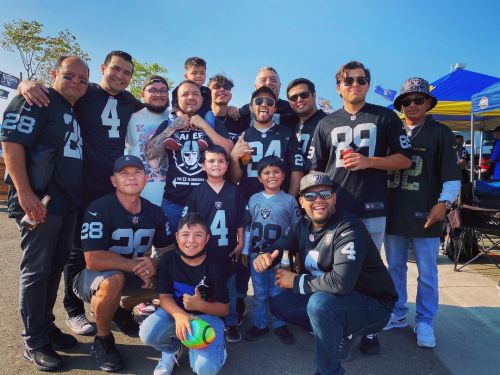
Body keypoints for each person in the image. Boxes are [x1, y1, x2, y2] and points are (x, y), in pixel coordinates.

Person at [19, 50, 143, 337]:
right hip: (80, 187)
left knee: (112, 249)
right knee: (76, 252)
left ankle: (114, 310)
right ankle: (73, 309)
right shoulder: (84, 91)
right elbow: (51, 93)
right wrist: (24, 85)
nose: (121, 76)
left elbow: (156, 107)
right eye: (116, 69)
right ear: (103, 68)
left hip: (114, 188)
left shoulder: (128, 101)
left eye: (127, 72)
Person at [308, 60, 412, 354]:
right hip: (335, 209)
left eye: (361, 80)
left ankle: (369, 327)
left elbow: (404, 159)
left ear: (368, 84)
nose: (356, 85)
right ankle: (340, 323)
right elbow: (316, 169)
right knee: (336, 270)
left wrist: (370, 161)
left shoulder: (386, 117)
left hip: (372, 205)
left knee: (367, 271)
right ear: (338, 87)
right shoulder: (325, 123)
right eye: (349, 80)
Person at [253, 172, 397, 375]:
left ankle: (328, 370)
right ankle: (337, 331)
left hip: (374, 305)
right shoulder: (302, 225)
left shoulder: (349, 227)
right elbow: (279, 246)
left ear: (334, 197)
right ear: (301, 202)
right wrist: (265, 256)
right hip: (338, 300)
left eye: (325, 194)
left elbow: (341, 283)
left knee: (320, 304)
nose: (318, 200)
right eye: (310, 196)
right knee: (280, 305)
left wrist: (296, 281)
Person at [1, 55, 88, 371]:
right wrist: (25, 194)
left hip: (65, 205)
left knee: (53, 269)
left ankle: (45, 326)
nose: (77, 82)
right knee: (36, 271)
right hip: (41, 203)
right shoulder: (38, 98)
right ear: (54, 73)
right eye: (70, 76)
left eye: (83, 78)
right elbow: (11, 142)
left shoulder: (69, 109)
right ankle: (33, 340)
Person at [72, 155, 173, 372]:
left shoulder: (155, 211)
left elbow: (169, 252)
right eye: (124, 173)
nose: (131, 178)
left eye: (137, 172)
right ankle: (103, 340)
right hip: (95, 278)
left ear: (145, 179)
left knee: (174, 277)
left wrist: (155, 264)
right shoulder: (98, 208)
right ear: (113, 180)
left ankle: (123, 308)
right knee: (114, 279)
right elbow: (93, 259)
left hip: (134, 276)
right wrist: (138, 265)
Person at [385, 77, 461, 348]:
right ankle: (396, 313)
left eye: (418, 99)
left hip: (425, 212)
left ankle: (426, 320)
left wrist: (444, 203)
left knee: (427, 272)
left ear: (428, 102)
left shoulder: (440, 132)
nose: (413, 105)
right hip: (394, 211)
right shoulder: (391, 130)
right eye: (407, 101)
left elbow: (452, 175)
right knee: (394, 268)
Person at [228, 86, 304, 322]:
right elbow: (235, 178)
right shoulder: (243, 135)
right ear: (251, 106)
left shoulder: (286, 133)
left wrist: (288, 199)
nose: (264, 105)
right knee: (248, 257)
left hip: (280, 205)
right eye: (258, 100)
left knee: (280, 261)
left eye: (269, 102)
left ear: (275, 107)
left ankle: (282, 316)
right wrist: (234, 156)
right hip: (251, 204)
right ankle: (242, 305)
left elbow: (297, 168)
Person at [139, 213, 229, 375]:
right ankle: (173, 349)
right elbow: (164, 298)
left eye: (198, 235)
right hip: (176, 314)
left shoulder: (216, 265)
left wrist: (200, 305)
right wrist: (180, 315)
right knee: (148, 332)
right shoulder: (168, 260)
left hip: (207, 318)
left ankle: (217, 350)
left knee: (204, 369)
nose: (191, 240)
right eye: (185, 234)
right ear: (177, 236)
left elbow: (224, 309)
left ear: (207, 238)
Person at [145, 80, 233, 231]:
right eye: (185, 94)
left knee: (206, 247)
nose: (190, 97)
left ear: (202, 99)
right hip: (173, 201)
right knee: (170, 247)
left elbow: (229, 151)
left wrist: (204, 125)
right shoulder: (168, 124)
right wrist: (173, 127)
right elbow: (150, 153)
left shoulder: (214, 123)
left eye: (195, 94)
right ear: (177, 100)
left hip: (207, 200)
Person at [183, 145, 247, 342]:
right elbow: (189, 223)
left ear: (227, 165)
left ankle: (232, 322)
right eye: (211, 161)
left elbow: (240, 220)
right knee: (204, 287)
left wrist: (241, 242)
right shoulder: (197, 192)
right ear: (203, 165)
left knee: (230, 288)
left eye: (220, 161)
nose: (216, 165)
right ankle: (206, 318)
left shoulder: (234, 191)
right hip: (205, 252)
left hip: (227, 249)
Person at [242, 156, 301, 345]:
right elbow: (248, 228)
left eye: (276, 172)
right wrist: (244, 250)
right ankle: (260, 324)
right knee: (259, 293)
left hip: (281, 257)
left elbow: (296, 231)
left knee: (278, 292)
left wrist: (297, 257)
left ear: (284, 175)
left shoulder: (290, 201)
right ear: (259, 178)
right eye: (266, 173)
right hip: (256, 255)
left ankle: (280, 324)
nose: (271, 176)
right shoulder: (253, 199)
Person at [125, 75, 171, 206]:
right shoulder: (130, 118)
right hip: (138, 198)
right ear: (142, 94)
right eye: (152, 90)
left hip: (172, 200)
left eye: (163, 90)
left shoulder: (174, 117)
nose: (158, 94)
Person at [229, 66, 299, 130]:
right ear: (255, 86)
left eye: (273, 80)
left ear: (280, 86)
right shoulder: (245, 111)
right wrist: (229, 109)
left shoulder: (291, 108)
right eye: (263, 80)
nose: (268, 83)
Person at [286, 78, 327, 171]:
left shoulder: (329, 123)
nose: (299, 100)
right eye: (293, 98)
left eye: (304, 95)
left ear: (314, 94)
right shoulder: (293, 129)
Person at [208, 74, 247, 144]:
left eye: (226, 87)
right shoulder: (202, 118)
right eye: (216, 86)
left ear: (230, 95)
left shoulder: (240, 119)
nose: (222, 89)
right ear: (209, 93)